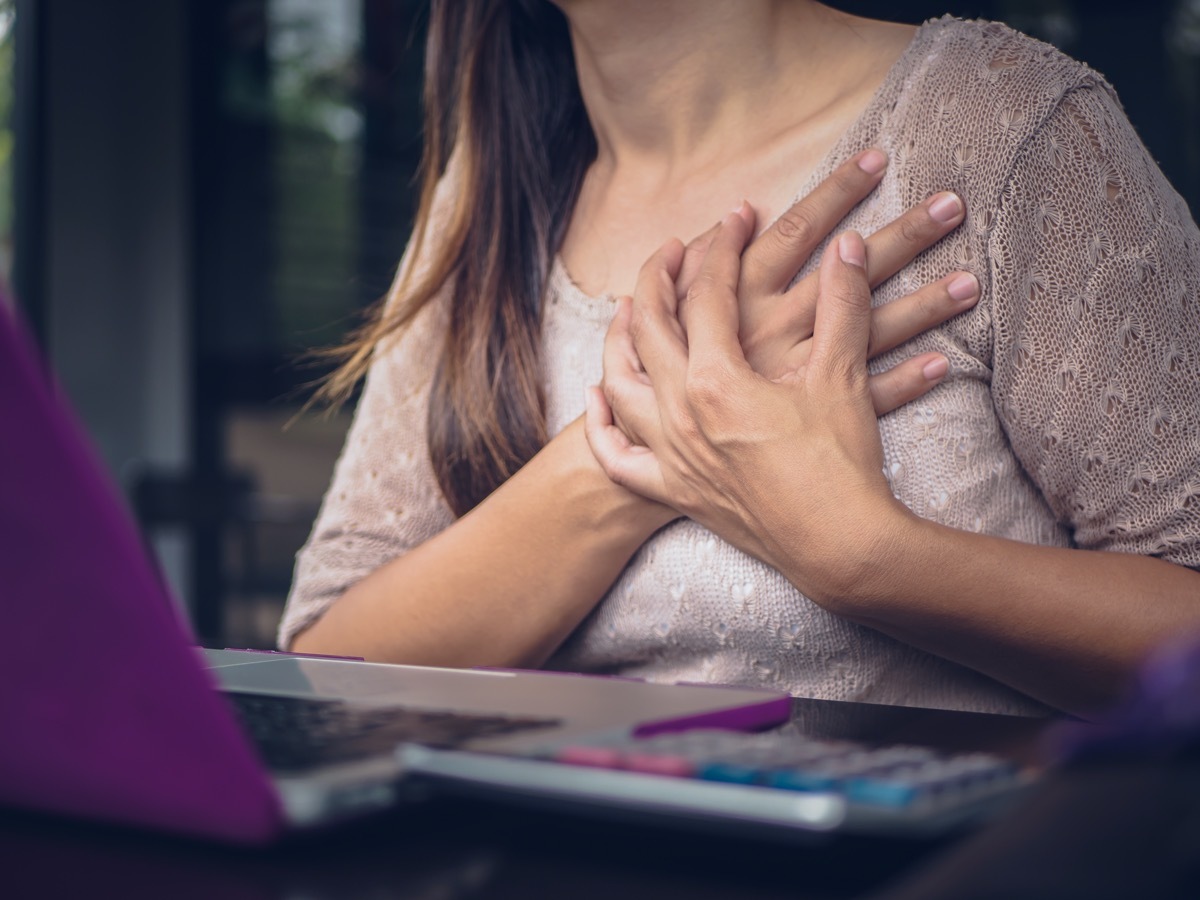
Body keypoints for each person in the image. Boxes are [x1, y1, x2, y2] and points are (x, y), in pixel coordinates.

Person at [279, 1, 1200, 718]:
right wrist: (634, 452)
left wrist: (866, 561)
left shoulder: (1001, 124)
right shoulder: (486, 202)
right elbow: (325, 669)